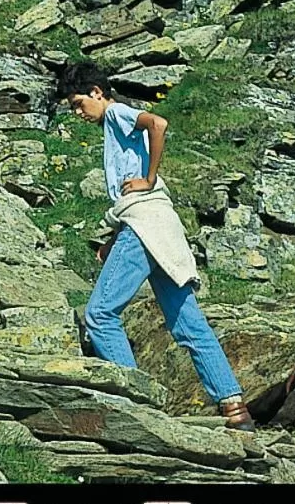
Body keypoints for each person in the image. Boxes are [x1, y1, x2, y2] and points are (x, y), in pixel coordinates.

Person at [57, 60, 254, 431]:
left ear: (97, 93)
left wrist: (149, 179)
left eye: (79, 103)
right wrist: (115, 238)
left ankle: (137, 403)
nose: (79, 113)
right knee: (188, 323)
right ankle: (234, 406)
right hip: (159, 227)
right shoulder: (113, 125)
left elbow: (158, 123)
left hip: (144, 224)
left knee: (100, 315)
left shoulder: (115, 112)